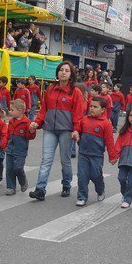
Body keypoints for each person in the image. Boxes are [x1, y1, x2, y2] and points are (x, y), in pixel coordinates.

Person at [29, 61, 84, 201]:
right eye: (61, 70)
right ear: (57, 72)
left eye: (67, 70)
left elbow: (78, 114)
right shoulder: (50, 89)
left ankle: (66, 185)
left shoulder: (76, 92)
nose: (63, 72)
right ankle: (40, 189)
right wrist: (37, 122)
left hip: (66, 131)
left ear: (71, 74)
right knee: (46, 160)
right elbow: (44, 110)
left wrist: (76, 130)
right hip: (50, 129)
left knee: (65, 160)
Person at [75, 97, 118, 206]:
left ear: (103, 109)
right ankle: (82, 196)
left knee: (96, 175)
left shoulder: (106, 123)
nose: (92, 109)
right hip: (83, 154)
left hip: (97, 155)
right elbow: (78, 130)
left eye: (95, 107)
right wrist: (76, 133)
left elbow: (109, 141)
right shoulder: (84, 119)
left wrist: (112, 156)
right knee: (82, 176)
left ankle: (100, 190)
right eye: (91, 106)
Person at [5, 99, 36, 195]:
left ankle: (23, 181)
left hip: (20, 150)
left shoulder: (27, 122)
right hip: (10, 149)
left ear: (20, 111)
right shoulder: (11, 121)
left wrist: (31, 131)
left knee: (18, 168)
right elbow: (7, 135)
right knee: (9, 169)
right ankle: (11, 187)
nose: (10, 112)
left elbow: (30, 137)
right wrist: (4, 144)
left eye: (12, 110)